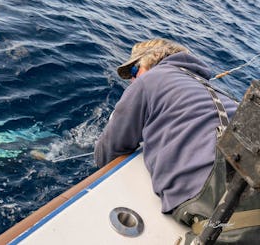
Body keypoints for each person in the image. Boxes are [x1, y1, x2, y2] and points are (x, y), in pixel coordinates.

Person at [94, 39, 259, 243]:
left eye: (135, 69)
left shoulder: (151, 79)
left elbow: (105, 153)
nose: (132, 80)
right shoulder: (220, 93)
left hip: (224, 196)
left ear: (153, 61)